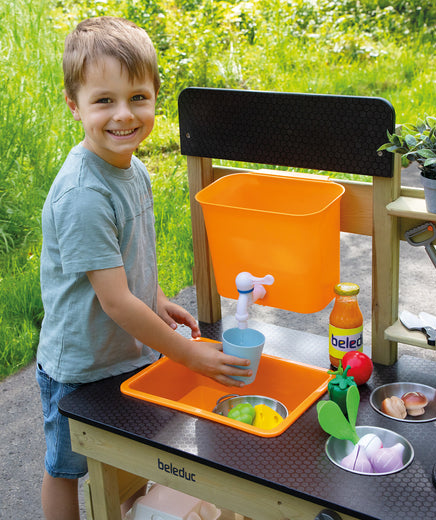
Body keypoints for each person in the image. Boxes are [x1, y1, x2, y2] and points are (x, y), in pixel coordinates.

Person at [36, 16, 251, 520]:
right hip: (81, 365)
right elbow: (113, 300)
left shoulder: (134, 170)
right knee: (66, 468)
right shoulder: (84, 194)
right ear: (75, 106)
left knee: (129, 459)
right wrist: (187, 357)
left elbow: (131, 263)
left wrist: (156, 300)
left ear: (155, 95)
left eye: (137, 97)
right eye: (104, 100)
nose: (123, 115)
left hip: (126, 351)